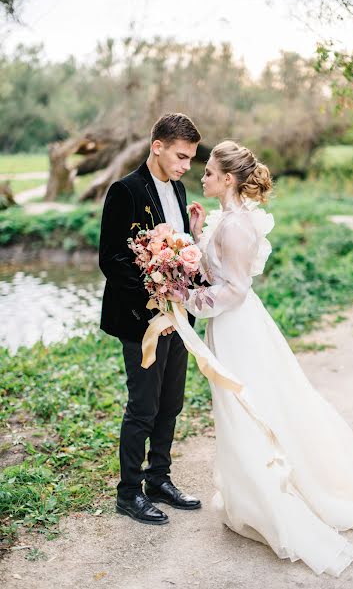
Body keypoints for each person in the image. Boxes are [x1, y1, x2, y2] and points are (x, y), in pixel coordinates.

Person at [171, 140, 353, 575]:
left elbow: (233, 290)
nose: (204, 176)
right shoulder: (229, 219)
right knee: (239, 408)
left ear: (229, 179)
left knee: (248, 410)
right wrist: (198, 235)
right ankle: (246, 496)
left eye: (211, 172)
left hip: (237, 328)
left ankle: (267, 501)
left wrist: (187, 297)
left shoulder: (237, 226)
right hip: (232, 327)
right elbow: (219, 268)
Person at [99, 113, 202, 525]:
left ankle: (159, 479)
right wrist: (153, 302)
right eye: (181, 156)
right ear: (156, 146)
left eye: (191, 159)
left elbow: (178, 249)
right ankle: (129, 493)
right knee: (143, 406)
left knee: (171, 403)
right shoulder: (124, 190)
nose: (186, 166)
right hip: (142, 319)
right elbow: (113, 259)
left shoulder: (176, 188)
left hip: (179, 318)